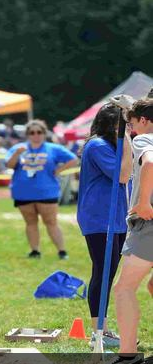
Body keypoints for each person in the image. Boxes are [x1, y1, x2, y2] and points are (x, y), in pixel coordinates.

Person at [77, 103, 132, 349]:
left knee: (108, 272)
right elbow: (122, 175)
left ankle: (103, 328)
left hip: (116, 216)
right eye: (125, 124)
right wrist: (128, 138)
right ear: (113, 125)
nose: (129, 128)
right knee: (103, 270)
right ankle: (98, 331)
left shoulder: (112, 145)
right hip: (99, 217)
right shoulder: (98, 145)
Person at [108, 98, 153, 364]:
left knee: (124, 289)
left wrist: (144, 201)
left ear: (145, 121)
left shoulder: (144, 141)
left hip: (148, 224)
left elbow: (149, 163)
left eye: (133, 124)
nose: (132, 130)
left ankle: (128, 358)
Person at [5, 120, 78, 259]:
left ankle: (62, 251)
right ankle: (35, 251)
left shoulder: (53, 148)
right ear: (27, 134)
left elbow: (73, 159)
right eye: (32, 132)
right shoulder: (18, 148)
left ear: (44, 133)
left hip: (47, 191)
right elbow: (9, 165)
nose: (36, 135)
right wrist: (17, 154)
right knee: (30, 222)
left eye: (39, 132)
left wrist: (59, 170)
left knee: (51, 222)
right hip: (23, 192)